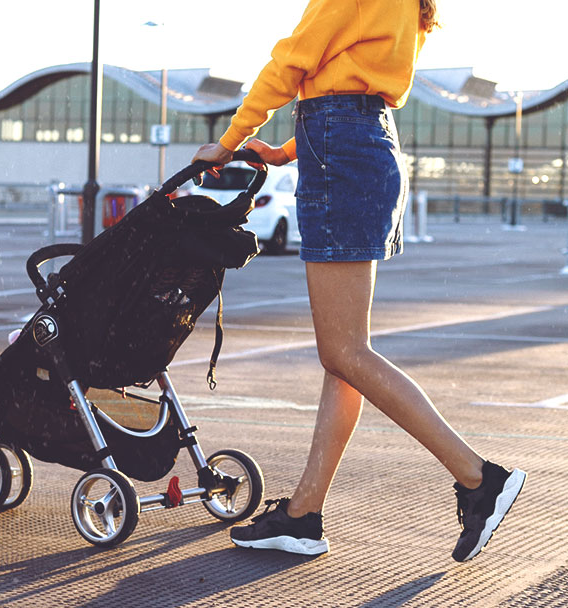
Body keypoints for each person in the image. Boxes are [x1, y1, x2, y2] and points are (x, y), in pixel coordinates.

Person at [192, 0, 526, 562]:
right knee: (345, 354)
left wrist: (227, 142)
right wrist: (286, 150)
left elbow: (292, 63)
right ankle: (304, 515)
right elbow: (356, 91)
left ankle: (478, 479)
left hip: (342, 153)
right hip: (361, 146)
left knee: (344, 351)